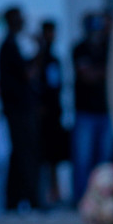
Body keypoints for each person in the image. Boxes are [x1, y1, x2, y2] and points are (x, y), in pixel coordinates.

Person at [0, 5, 40, 211]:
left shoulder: (11, 44)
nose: (22, 22)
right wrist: (41, 50)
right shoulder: (8, 46)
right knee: (25, 154)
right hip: (18, 110)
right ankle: (30, 200)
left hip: (19, 108)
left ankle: (14, 201)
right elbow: (26, 74)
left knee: (21, 154)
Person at [70, 10, 113, 203]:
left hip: (106, 111)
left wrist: (101, 72)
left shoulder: (108, 48)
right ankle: (81, 199)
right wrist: (103, 72)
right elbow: (87, 76)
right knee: (83, 159)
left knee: (105, 160)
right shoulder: (80, 49)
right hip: (86, 113)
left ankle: (103, 199)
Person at [34, 18, 67, 207]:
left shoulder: (54, 58)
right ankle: (44, 196)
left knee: (55, 157)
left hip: (55, 113)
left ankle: (55, 193)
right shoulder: (40, 59)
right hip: (43, 116)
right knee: (43, 157)